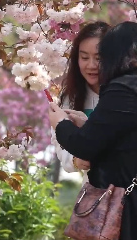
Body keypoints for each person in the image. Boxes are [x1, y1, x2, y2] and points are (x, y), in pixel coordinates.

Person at [48, 21, 137, 240]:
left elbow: (84, 146)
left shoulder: (123, 90)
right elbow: (133, 140)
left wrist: (61, 123)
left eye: (102, 57)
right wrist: (86, 126)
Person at [50, 21, 111, 183]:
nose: (91, 65)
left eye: (99, 58)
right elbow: (59, 141)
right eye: (84, 57)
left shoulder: (127, 94)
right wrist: (75, 160)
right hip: (97, 194)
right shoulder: (71, 97)